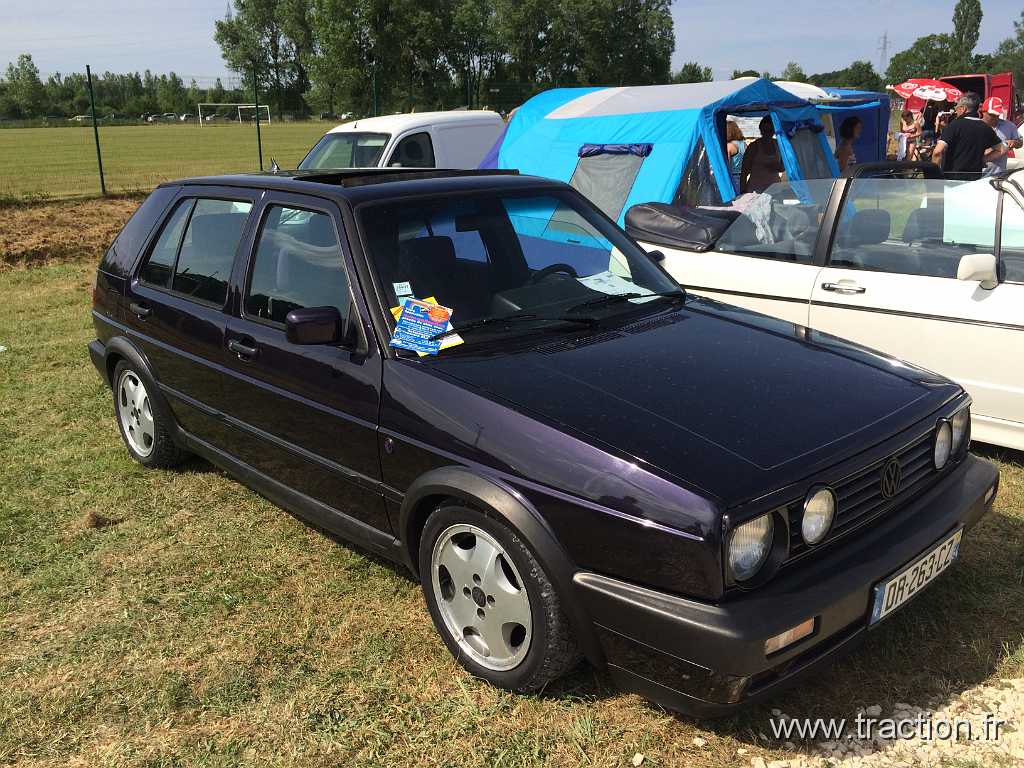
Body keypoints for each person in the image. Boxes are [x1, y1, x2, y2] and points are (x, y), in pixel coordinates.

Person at [932, 92, 1005, 175]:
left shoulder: (954, 125)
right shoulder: (986, 128)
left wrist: (934, 175)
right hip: (974, 179)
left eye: (957, 107)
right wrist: (981, 160)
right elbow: (1002, 149)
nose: (956, 110)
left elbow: (937, 152)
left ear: (963, 109)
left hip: (952, 180)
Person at [740, 116, 785, 193]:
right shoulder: (754, 146)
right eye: (765, 130)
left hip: (775, 189)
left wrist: (777, 166)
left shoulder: (779, 144)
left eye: (770, 130)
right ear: (761, 130)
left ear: (774, 131)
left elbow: (783, 168)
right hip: (756, 190)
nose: (767, 133)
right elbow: (744, 171)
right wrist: (742, 191)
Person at [980, 96, 1022, 175]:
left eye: (998, 114)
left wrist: (1015, 142)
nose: (995, 117)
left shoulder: (1009, 126)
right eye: (992, 115)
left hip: (998, 175)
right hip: (976, 175)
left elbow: (1020, 142)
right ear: (983, 112)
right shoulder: (974, 126)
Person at [725, 120, 746, 186]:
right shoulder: (744, 144)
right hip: (742, 177)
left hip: (733, 178)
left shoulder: (729, 146)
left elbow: (726, 165)